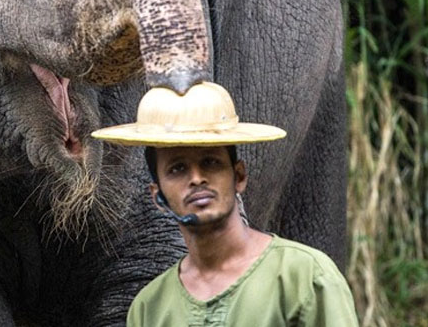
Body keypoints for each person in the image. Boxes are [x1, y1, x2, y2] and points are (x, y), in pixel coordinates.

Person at [91, 82, 359, 326]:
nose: (196, 179)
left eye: (210, 162)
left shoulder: (305, 278)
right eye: (178, 169)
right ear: (157, 196)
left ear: (239, 176)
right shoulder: (150, 307)